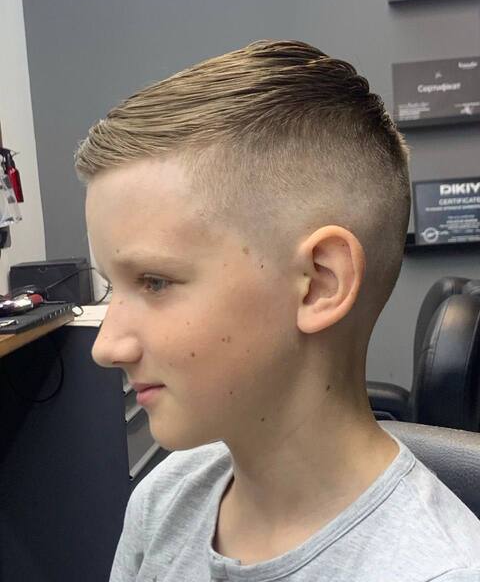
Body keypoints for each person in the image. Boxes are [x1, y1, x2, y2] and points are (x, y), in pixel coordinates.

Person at [75, 39, 480, 581]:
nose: (106, 347)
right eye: (111, 286)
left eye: (155, 281)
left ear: (319, 284)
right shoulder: (164, 499)